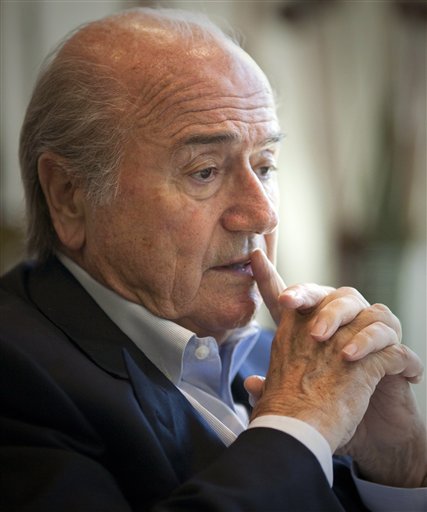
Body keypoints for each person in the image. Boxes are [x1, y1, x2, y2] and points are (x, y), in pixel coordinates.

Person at [0, 7, 426, 511]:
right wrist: (296, 426)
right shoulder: (17, 374)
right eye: (204, 171)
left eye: (265, 165)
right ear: (69, 196)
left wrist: (400, 469)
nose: (262, 214)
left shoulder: (282, 359)